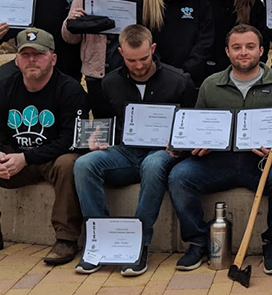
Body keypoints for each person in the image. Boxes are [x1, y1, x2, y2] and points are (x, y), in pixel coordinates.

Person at [167, 25, 272, 274]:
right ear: (227, 52)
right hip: (218, 162)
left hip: (263, 162)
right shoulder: (210, 84)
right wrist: (198, 144)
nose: (243, 53)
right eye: (236, 47)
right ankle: (198, 241)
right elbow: (200, 127)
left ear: (262, 50)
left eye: (250, 47)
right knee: (179, 176)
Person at [0, 29, 87, 265]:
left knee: (70, 163)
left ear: (53, 59)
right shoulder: (1, 88)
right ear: (16, 59)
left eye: (39, 54)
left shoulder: (70, 90)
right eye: (25, 54)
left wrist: (26, 157)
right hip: (14, 159)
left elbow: (71, 139)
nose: (32, 60)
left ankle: (66, 239)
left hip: (50, 159)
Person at [72, 24, 196, 276]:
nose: (138, 66)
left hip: (163, 153)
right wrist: (97, 139)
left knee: (153, 164)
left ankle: (139, 245)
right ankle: (99, 242)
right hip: (126, 153)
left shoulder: (179, 81)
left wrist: (181, 145)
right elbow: (104, 122)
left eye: (143, 58)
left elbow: (192, 125)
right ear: (120, 52)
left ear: (153, 49)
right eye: (131, 60)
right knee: (84, 164)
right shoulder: (110, 83)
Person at [62, 0, 138, 118]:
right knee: (102, 124)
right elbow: (70, 39)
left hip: (130, 70)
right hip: (96, 71)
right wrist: (72, 22)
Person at [140, 0, 214, 85]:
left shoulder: (198, 0)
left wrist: (188, 69)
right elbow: (144, 40)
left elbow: (205, 39)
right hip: (156, 77)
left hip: (191, 77)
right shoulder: (145, 1)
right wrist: (160, 69)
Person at [205, 0, 269, 76]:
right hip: (212, 71)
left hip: (247, 70)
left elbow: (263, 36)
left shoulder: (252, 1)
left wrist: (259, 64)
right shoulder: (204, 1)